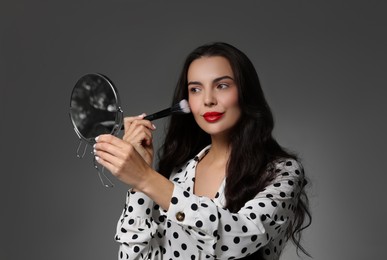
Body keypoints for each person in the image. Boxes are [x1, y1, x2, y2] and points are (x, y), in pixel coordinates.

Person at [94, 42, 311, 259]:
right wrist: (139, 187)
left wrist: (145, 178)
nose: (208, 100)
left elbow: (236, 241)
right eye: (195, 89)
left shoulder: (281, 172)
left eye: (222, 86)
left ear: (246, 92)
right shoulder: (178, 172)